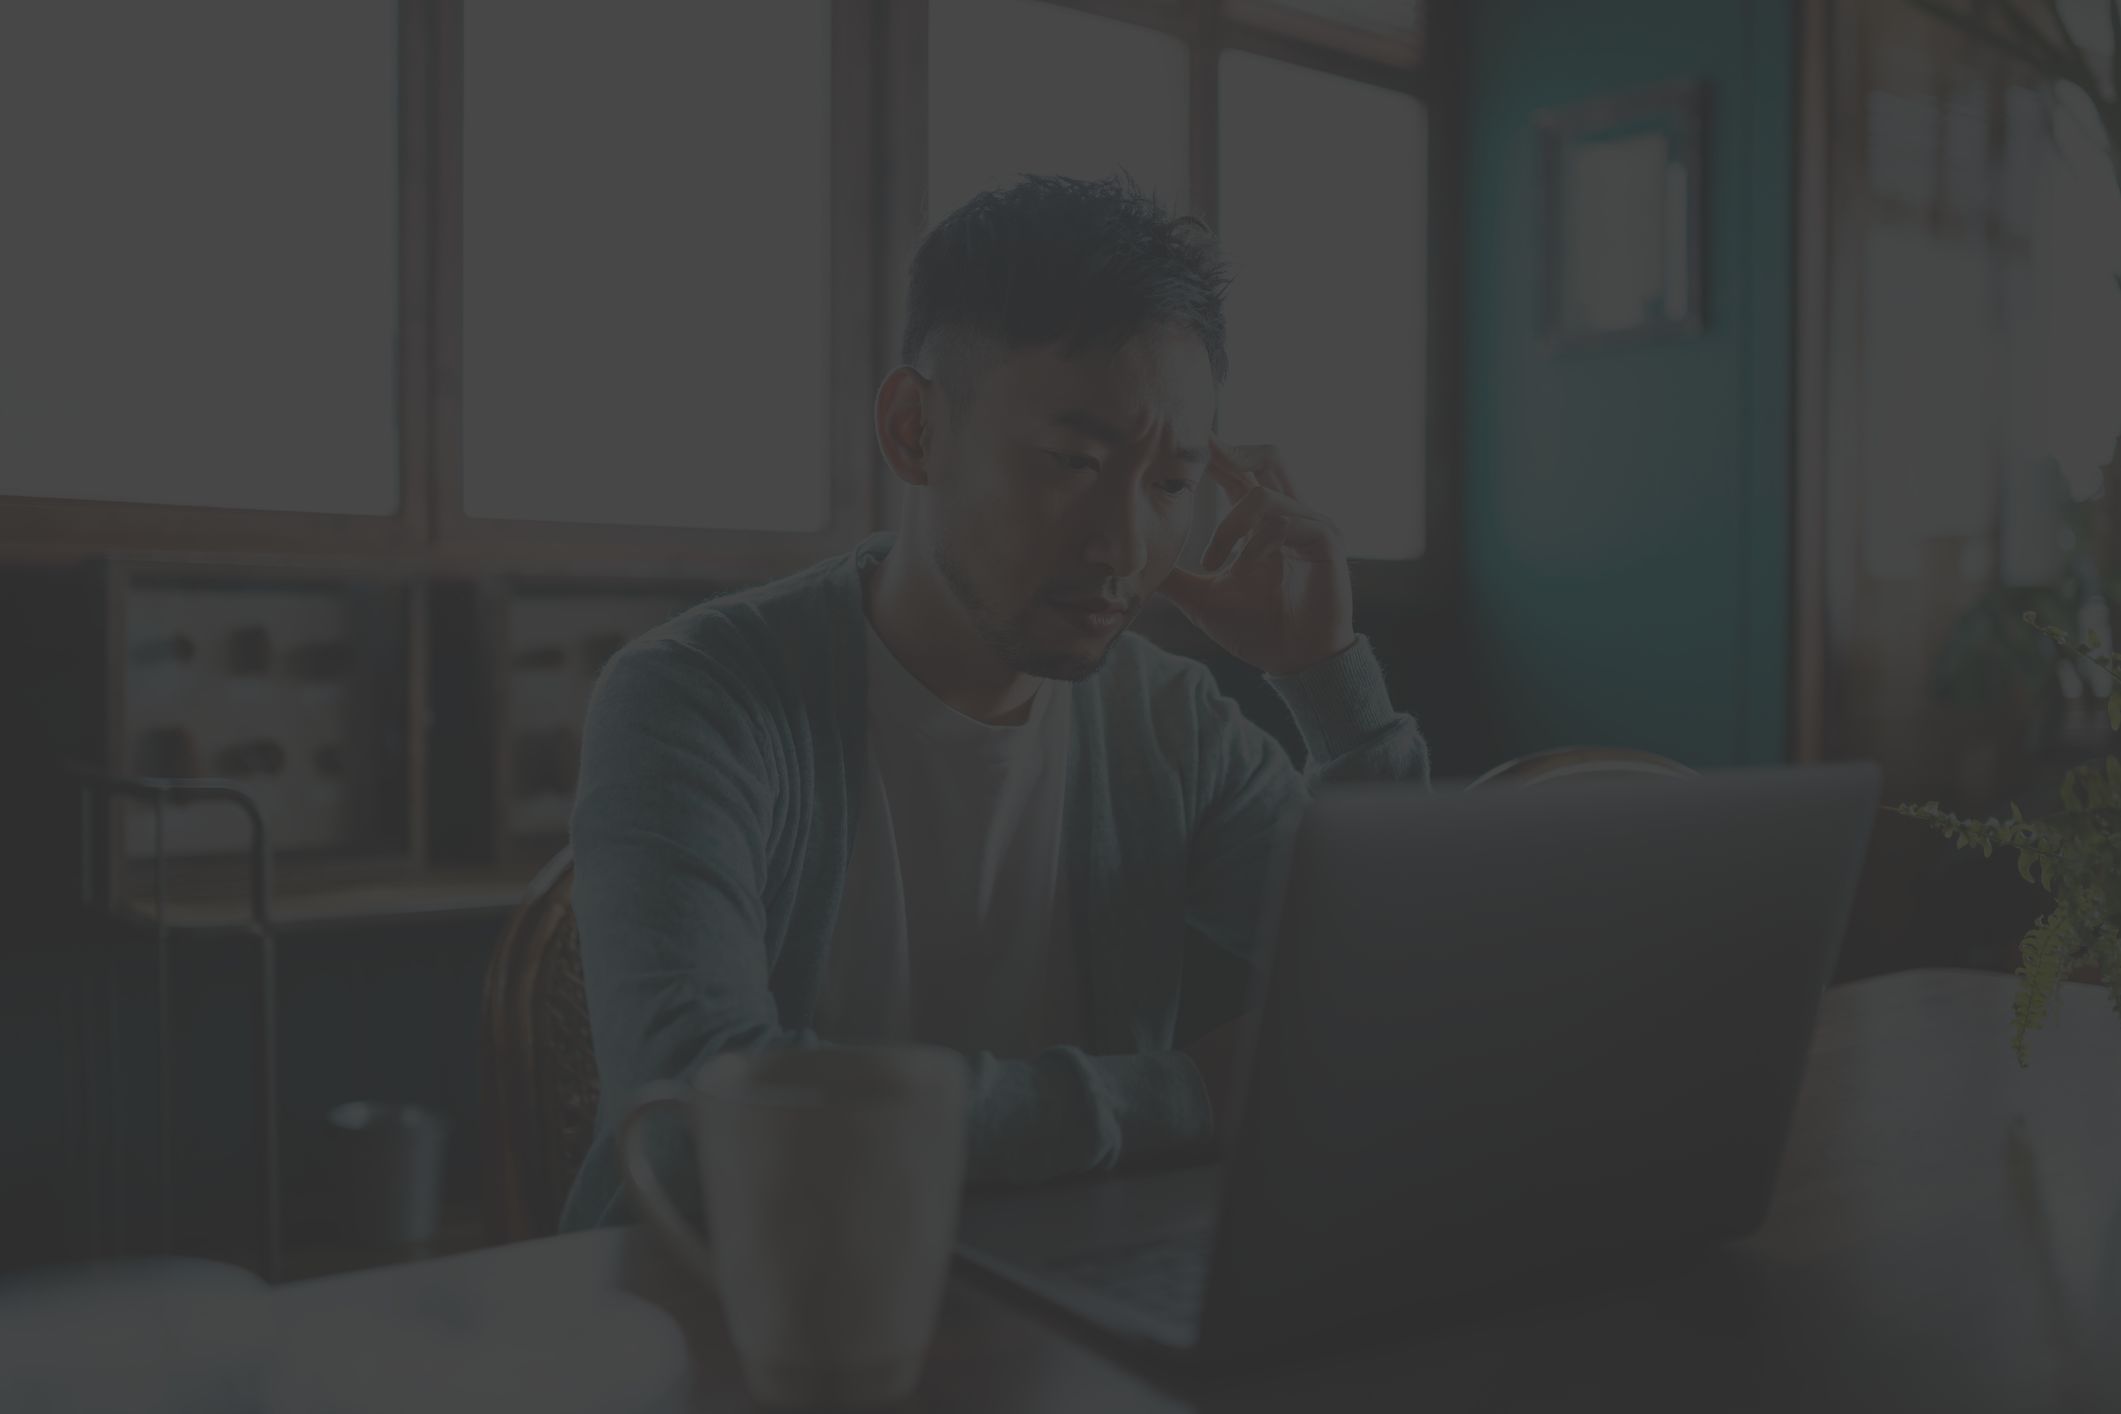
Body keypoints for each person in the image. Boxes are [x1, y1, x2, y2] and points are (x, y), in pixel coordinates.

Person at [559, 173, 1429, 1230]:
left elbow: (1403, 1000)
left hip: (1062, 1316)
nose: (1122, 547)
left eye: (1169, 485)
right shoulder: (696, 697)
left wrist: (1327, 683)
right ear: (915, 428)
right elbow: (699, 1127)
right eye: (1073, 461)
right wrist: (1189, 1094)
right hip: (725, 1323)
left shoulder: (1171, 722)